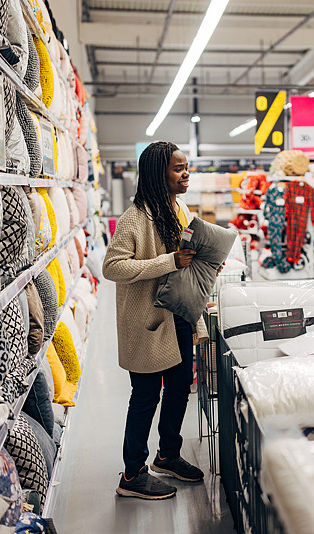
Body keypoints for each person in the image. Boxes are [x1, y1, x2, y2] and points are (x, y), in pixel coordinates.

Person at [102, 141, 216, 500]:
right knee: (146, 395)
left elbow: (183, 255)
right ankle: (132, 474)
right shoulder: (134, 219)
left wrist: (205, 261)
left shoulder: (178, 208)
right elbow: (113, 267)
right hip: (149, 321)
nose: (186, 174)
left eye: (186, 167)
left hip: (179, 314)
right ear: (158, 174)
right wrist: (170, 261)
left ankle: (167, 455)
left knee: (180, 388)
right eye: (178, 169)